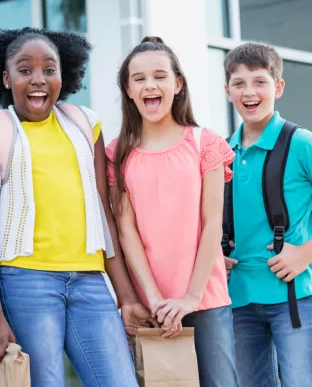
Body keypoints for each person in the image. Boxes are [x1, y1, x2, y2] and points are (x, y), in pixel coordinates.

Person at [0, 27, 145, 387]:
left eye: (49, 69)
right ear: (6, 77)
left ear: (64, 74)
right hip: (25, 280)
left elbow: (103, 212)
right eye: (24, 70)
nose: (38, 80)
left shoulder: (85, 123)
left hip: (91, 282)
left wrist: (125, 295)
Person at [106, 36, 238, 387]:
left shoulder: (204, 142)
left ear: (177, 84)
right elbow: (126, 231)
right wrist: (155, 301)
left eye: (160, 76)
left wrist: (190, 297)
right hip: (152, 306)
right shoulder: (116, 152)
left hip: (205, 299)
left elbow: (213, 225)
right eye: (139, 78)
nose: (150, 85)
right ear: (128, 89)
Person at [222, 42, 312, 387]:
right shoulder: (221, 151)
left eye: (260, 81)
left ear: (278, 87)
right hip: (238, 300)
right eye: (240, 83)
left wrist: (304, 253)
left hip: (294, 298)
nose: (250, 92)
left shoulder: (301, 143)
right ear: (227, 91)